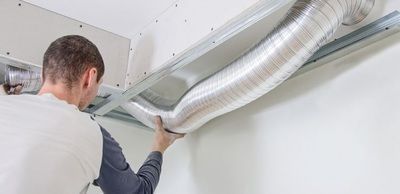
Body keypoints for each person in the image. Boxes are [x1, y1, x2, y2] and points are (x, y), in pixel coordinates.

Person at [0, 35, 184, 194]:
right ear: (90, 77)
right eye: (99, 84)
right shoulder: (93, 135)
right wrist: (159, 147)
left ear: (42, 74)